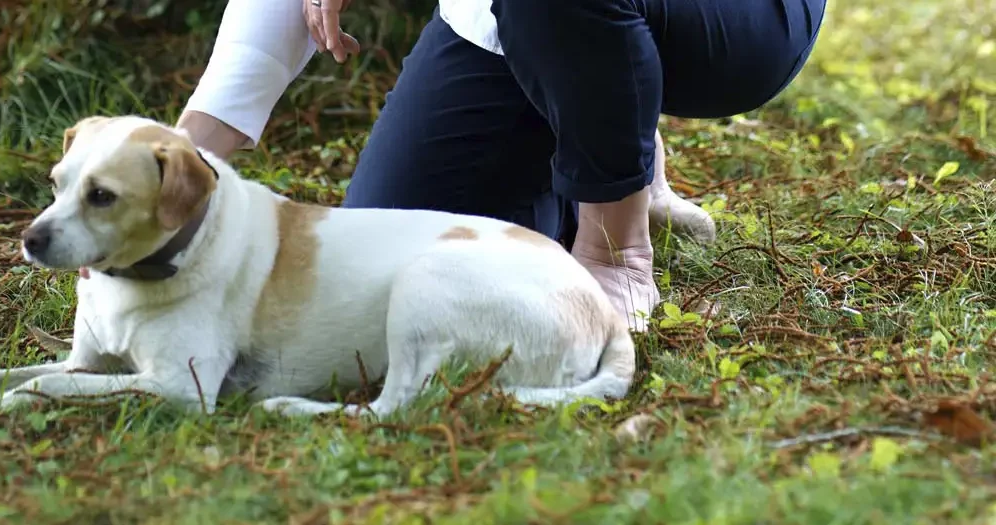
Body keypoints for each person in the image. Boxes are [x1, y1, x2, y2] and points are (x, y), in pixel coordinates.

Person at [174, 0, 827, 332]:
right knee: (384, 260)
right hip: (513, 21)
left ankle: (617, 247)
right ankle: (615, 129)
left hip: (737, 19)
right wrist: (182, 164)